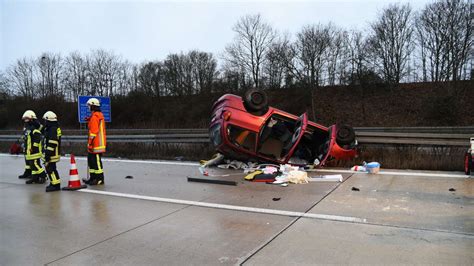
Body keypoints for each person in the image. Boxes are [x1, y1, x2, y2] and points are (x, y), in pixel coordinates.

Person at [85, 98, 107, 185]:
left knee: (96, 162)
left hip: (96, 144)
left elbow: (93, 132)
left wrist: (90, 143)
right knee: (91, 161)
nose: (89, 107)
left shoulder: (95, 117)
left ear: (93, 106)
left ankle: (99, 179)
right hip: (96, 143)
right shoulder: (96, 116)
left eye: (89, 106)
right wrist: (89, 120)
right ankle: (93, 178)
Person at [22, 110, 46, 184]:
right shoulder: (28, 127)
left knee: (35, 164)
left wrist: (34, 148)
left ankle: (43, 176)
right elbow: (27, 138)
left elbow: (37, 138)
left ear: (32, 119)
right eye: (25, 119)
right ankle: (34, 178)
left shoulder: (35, 127)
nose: (26, 121)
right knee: (32, 166)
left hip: (34, 151)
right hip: (29, 150)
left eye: (27, 119)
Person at [42, 111, 62, 192]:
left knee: (51, 169)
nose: (45, 122)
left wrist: (48, 154)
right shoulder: (53, 128)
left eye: (45, 121)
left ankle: (55, 185)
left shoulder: (52, 129)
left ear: (48, 120)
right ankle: (53, 183)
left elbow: (53, 142)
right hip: (53, 152)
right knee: (51, 168)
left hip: (52, 153)